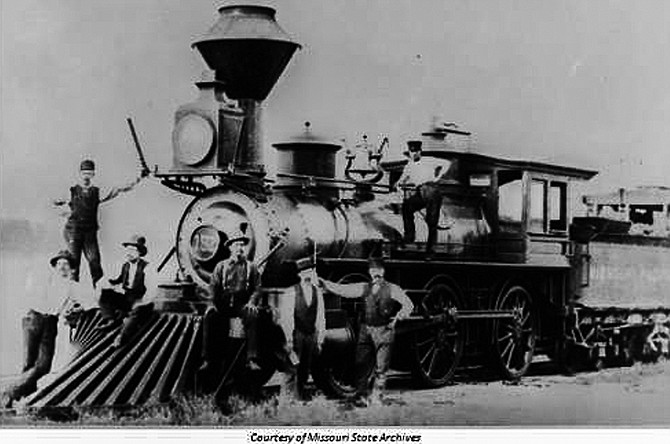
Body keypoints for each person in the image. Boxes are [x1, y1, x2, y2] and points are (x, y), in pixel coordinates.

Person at [3, 250, 95, 406]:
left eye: (66, 264)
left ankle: (10, 393)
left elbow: (91, 302)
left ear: (72, 269)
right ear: (54, 267)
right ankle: (21, 399)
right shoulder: (45, 279)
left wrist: (77, 309)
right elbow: (28, 293)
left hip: (51, 322)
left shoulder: (73, 286)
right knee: (28, 364)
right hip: (33, 318)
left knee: (43, 366)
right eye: (59, 264)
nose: (62, 267)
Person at [319, 257, 413, 406]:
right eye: (373, 270)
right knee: (361, 363)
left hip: (384, 330)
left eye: (379, 270)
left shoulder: (393, 289)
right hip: (366, 330)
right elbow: (344, 290)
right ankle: (361, 396)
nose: (376, 273)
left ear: (383, 271)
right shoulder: (364, 287)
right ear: (370, 272)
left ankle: (377, 398)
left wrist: (398, 318)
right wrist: (325, 283)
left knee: (381, 368)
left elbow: (408, 304)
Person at [53, 159, 148, 287]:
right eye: (85, 173)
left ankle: (100, 296)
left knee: (95, 262)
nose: (87, 176)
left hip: (90, 232)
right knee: (74, 264)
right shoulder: (71, 191)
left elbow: (120, 189)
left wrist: (139, 178)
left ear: (93, 175)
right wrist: (65, 213)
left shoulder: (97, 191)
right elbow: (53, 202)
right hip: (73, 232)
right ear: (80, 174)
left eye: (90, 173)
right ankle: (72, 298)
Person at [199, 224, 262, 380]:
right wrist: (211, 304)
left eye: (242, 245)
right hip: (224, 303)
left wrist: (252, 302)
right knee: (210, 318)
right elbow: (213, 287)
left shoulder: (251, 267)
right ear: (230, 248)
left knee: (252, 316)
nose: (239, 248)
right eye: (236, 245)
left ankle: (251, 358)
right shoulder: (221, 266)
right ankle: (207, 358)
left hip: (242, 303)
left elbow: (258, 288)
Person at [276, 257, 326, 401]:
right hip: (296, 334)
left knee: (304, 369)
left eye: (310, 270)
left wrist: (320, 339)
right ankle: (284, 401)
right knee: (291, 369)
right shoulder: (291, 292)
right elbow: (287, 317)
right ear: (300, 274)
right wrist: (289, 339)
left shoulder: (318, 292)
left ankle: (297, 399)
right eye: (305, 271)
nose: (308, 274)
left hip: (310, 335)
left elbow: (320, 317)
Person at [397, 140, 444, 254]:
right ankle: (410, 236)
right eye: (411, 151)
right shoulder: (409, 165)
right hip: (420, 191)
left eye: (415, 151)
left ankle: (431, 250)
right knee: (407, 207)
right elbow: (401, 179)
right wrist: (398, 185)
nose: (413, 154)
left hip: (432, 190)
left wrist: (438, 177)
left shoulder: (429, 160)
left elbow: (446, 163)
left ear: (419, 151)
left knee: (432, 221)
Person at [98, 235, 150, 331]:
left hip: (140, 299)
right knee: (105, 294)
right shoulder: (125, 266)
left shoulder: (147, 267)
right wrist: (106, 282)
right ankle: (110, 319)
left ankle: (122, 336)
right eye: (128, 250)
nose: (129, 253)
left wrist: (142, 301)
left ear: (140, 252)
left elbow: (151, 290)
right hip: (127, 298)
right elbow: (118, 280)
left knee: (137, 312)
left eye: (133, 250)